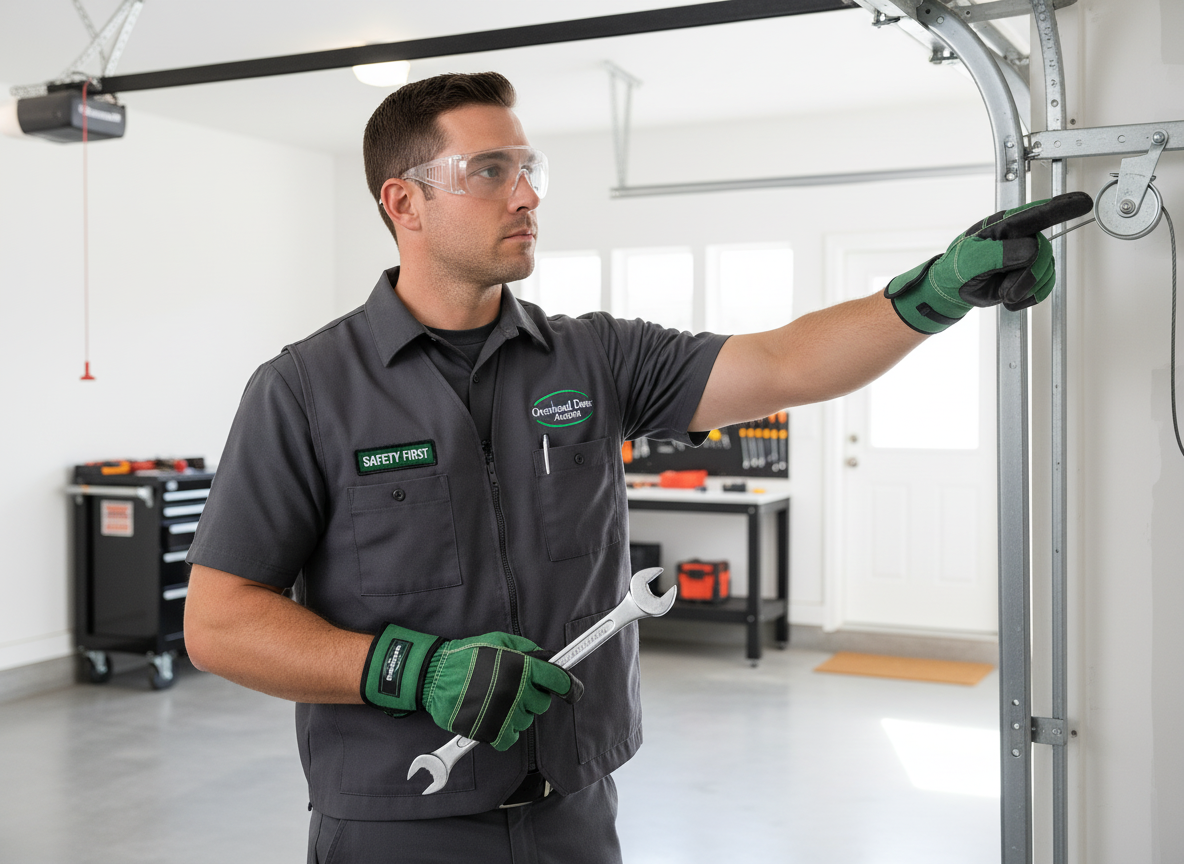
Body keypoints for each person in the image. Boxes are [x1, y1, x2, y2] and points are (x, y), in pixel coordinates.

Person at [183, 72, 1091, 863]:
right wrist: (411, 671)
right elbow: (220, 625)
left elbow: (780, 364)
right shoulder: (303, 390)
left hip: (574, 808)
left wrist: (932, 293)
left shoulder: (594, 359)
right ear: (404, 202)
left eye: (529, 168)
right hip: (396, 819)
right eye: (490, 171)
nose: (526, 195)